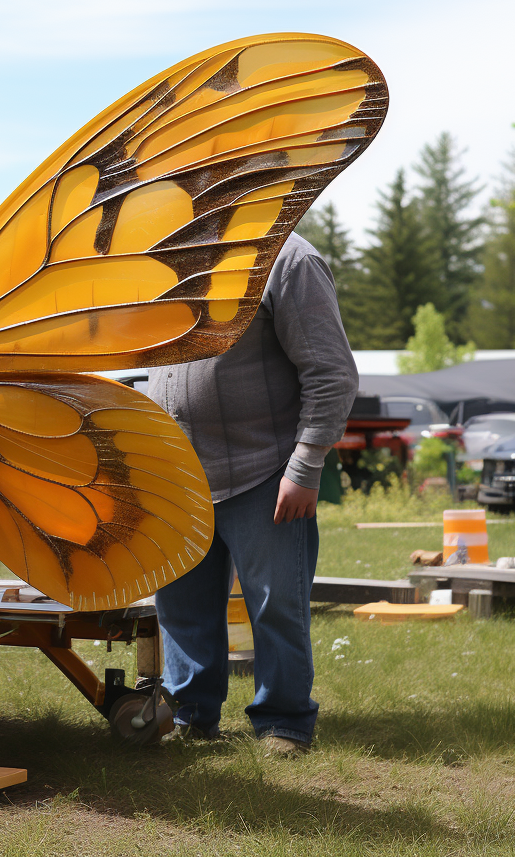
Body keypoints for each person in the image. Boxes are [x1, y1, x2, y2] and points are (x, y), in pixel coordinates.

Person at [147, 232, 357, 757]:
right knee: (181, 607)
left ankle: (284, 722)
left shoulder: (290, 258)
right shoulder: (169, 260)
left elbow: (331, 373)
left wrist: (305, 468)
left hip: (266, 472)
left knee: (276, 606)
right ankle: (190, 714)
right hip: (181, 477)